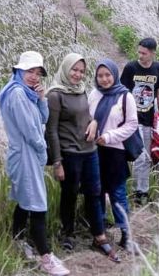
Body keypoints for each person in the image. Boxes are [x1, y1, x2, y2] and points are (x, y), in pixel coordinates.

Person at [0, 51, 70, 276]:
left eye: (37, 72)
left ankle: (18, 240)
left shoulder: (27, 93)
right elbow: (31, 131)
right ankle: (45, 258)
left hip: (23, 154)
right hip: (25, 155)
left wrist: (41, 99)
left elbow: (43, 118)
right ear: (18, 71)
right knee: (38, 205)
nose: (34, 76)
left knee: (24, 200)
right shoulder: (17, 94)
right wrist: (43, 151)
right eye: (29, 71)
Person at [46, 53, 119, 263]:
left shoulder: (81, 91)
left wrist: (94, 122)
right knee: (69, 194)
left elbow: (86, 116)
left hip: (90, 151)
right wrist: (57, 162)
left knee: (94, 193)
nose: (77, 75)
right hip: (70, 153)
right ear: (65, 69)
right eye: (74, 70)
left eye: (81, 71)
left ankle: (99, 236)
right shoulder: (55, 95)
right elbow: (51, 131)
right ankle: (67, 234)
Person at [89, 58, 139, 251]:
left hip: (115, 151)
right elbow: (87, 116)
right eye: (100, 76)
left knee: (118, 192)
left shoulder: (125, 96)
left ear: (114, 75)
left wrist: (109, 136)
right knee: (97, 190)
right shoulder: (94, 94)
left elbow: (132, 124)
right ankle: (100, 230)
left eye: (107, 75)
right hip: (94, 151)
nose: (104, 79)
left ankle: (126, 235)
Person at [120, 38, 159, 205]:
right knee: (137, 156)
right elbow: (123, 93)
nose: (140, 56)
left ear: (153, 53)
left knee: (145, 157)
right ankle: (136, 190)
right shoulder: (131, 68)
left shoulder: (158, 69)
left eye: (144, 53)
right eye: (139, 52)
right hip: (133, 119)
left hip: (149, 118)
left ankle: (142, 191)